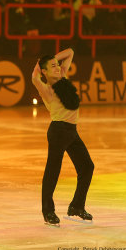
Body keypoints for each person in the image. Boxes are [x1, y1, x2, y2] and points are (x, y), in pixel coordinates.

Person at [31, 48, 94, 226]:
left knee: (87, 167)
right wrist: (40, 63)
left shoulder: (63, 77)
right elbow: (34, 77)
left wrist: (52, 59)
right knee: (53, 171)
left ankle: (76, 206)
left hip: (72, 131)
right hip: (58, 131)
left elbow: (71, 52)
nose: (58, 67)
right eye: (53, 66)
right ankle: (48, 212)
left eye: (58, 65)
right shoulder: (47, 89)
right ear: (44, 71)